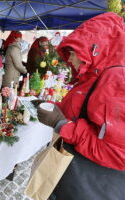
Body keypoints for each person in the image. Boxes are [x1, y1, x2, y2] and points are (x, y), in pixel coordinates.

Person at [35, 12, 125, 200]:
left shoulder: (116, 81)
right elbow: (79, 110)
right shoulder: (92, 75)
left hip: (90, 184)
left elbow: (116, 152)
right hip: (68, 175)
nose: (70, 60)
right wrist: (50, 106)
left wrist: (62, 125)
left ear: (95, 49)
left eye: (74, 53)